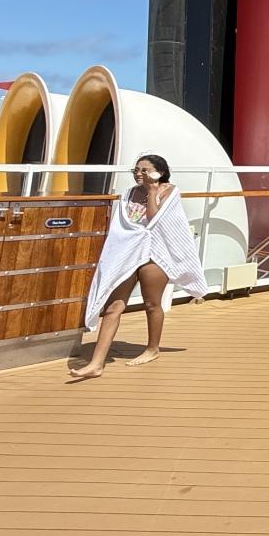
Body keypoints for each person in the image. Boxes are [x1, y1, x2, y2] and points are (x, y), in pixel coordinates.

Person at [69, 153, 208, 382]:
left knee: (152, 304)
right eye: (136, 170)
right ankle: (96, 363)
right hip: (129, 253)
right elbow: (124, 225)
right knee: (113, 306)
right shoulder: (129, 193)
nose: (139, 174)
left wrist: (152, 191)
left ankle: (153, 348)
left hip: (155, 253)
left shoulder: (169, 191)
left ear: (159, 172)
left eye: (144, 170)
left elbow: (155, 219)